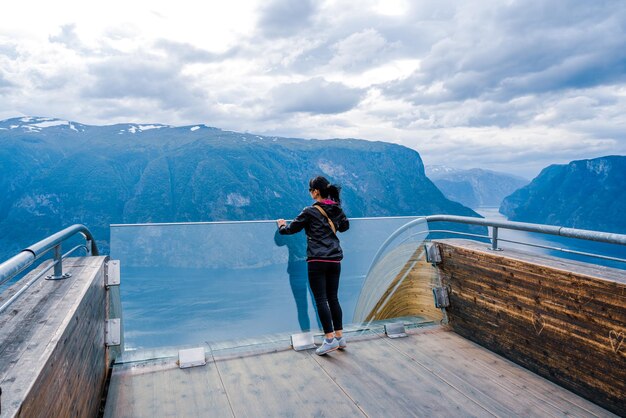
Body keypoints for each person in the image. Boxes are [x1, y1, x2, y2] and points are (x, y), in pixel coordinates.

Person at [277, 176, 350, 355]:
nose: (310, 193)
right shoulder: (336, 208)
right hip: (335, 260)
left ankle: (329, 339)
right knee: (333, 298)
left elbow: (291, 229)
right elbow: (345, 227)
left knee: (321, 300)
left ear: (316, 191)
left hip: (317, 260)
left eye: (310, 190)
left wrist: (281, 226)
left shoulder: (309, 211)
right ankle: (340, 338)